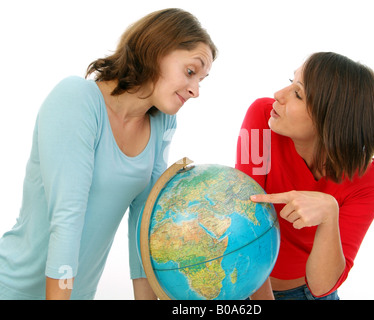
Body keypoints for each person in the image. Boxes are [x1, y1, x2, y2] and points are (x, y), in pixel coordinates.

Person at [0, 8, 216, 300]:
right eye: (191, 72)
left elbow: (144, 218)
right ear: (156, 51)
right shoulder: (77, 99)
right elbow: (67, 217)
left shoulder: (163, 121)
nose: (195, 91)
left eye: (201, 80)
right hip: (15, 289)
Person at [236, 52, 374, 300]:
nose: (278, 95)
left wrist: (330, 214)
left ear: (332, 121)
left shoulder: (369, 180)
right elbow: (245, 219)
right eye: (291, 81)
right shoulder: (263, 118)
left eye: (298, 93)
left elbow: (323, 286)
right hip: (249, 285)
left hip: (305, 293)